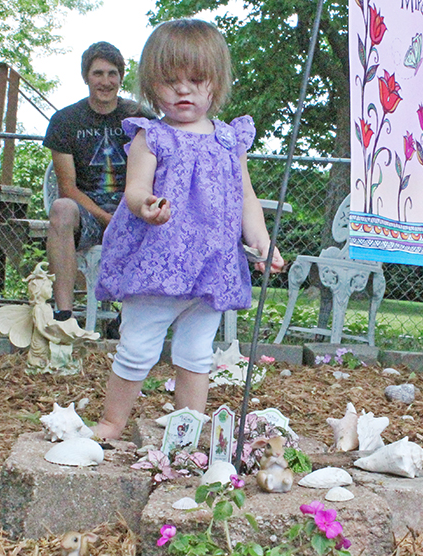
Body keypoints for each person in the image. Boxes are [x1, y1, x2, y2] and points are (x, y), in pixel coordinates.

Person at [93, 19, 285, 440]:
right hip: (159, 264)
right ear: (150, 85)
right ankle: (112, 421)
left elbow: (245, 197)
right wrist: (148, 207)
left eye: (196, 80)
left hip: (211, 265)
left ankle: (188, 431)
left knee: (197, 353)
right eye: (170, 81)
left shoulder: (229, 140)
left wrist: (261, 240)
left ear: (216, 83)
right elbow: (134, 190)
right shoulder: (152, 136)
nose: (184, 90)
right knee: (138, 346)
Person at [43, 41, 149, 327]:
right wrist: (105, 218)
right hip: (87, 209)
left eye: (112, 73)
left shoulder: (141, 118)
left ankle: (127, 320)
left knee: (162, 216)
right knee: (61, 208)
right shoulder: (65, 121)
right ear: (85, 77)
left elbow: (156, 175)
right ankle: (64, 316)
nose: (106, 81)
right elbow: (68, 188)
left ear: (121, 77)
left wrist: (130, 212)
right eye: (98, 73)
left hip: (133, 205)